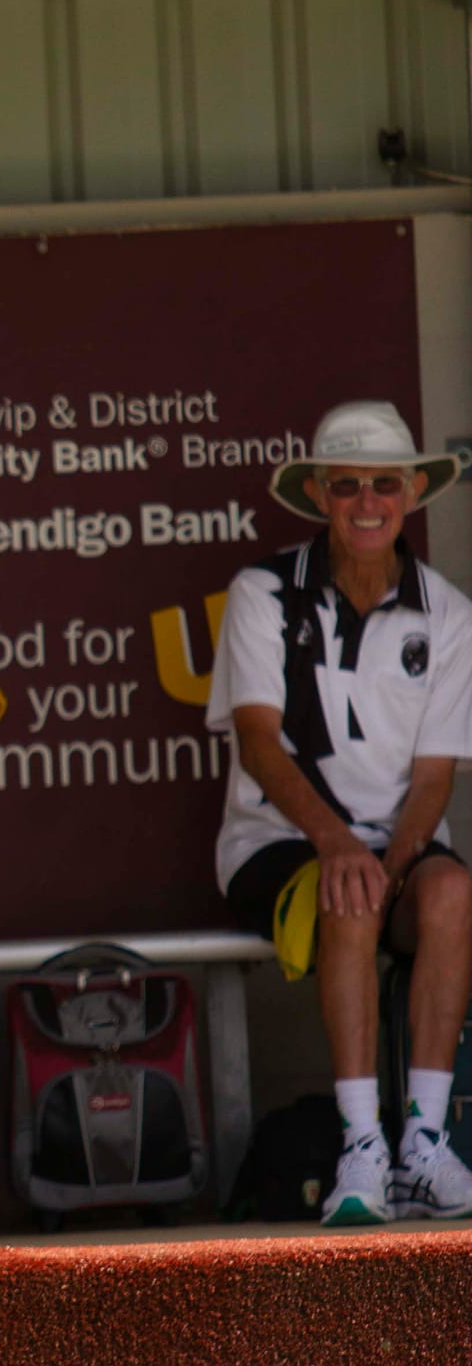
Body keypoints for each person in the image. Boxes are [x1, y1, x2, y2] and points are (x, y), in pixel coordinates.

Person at [209, 402, 472, 1226]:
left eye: (385, 484)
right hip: (278, 844)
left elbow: (435, 778)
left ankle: (424, 1144)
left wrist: (390, 863)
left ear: (412, 493)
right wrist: (340, 847)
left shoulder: (450, 613)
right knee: (348, 894)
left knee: (451, 895)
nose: (367, 501)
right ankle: (363, 1145)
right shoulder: (261, 591)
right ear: (320, 493)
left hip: (397, 848)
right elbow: (258, 741)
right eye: (348, 484)